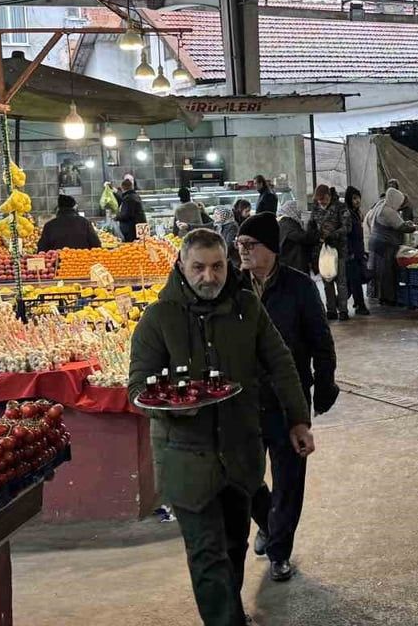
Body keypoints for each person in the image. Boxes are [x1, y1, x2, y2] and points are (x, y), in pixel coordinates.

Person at [128, 228, 316, 626]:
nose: (209, 277)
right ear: (181, 265)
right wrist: (172, 407)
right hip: (185, 457)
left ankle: (230, 612)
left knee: (234, 543)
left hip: (239, 452)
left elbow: (280, 363)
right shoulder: (159, 317)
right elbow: (137, 386)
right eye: (198, 268)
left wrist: (298, 420)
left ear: (227, 265)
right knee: (206, 551)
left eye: (216, 267)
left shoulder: (247, 307)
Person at [230, 214, 338, 585]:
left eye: (250, 245)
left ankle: (279, 552)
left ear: (271, 249)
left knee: (290, 479)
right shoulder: (232, 286)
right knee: (246, 476)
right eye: (239, 244)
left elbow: (321, 341)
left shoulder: (299, 287)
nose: (241, 251)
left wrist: (325, 386)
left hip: (287, 398)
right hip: (243, 400)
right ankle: (269, 522)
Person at [309, 184, 352, 321]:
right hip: (322, 251)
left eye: (323, 198)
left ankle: (343, 310)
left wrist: (334, 235)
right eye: (319, 200)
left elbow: (347, 227)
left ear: (329, 195)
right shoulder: (315, 208)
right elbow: (312, 224)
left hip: (339, 249)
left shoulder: (341, 207)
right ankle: (331, 310)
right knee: (327, 280)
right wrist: (313, 234)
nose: (321, 202)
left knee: (341, 280)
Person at [369, 187, 416, 306]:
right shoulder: (389, 211)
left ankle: (381, 297)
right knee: (387, 273)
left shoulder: (381, 207)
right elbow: (402, 227)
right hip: (385, 245)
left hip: (377, 244)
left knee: (380, 272)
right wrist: (414, 227)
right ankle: (389, 298)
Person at [344, 187, 370, 316]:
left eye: (358, 197)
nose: (357, 201)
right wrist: (350, 252)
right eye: (354, 198)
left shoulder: (356, 213)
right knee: (355, 281)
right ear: (349, 199)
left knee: (353, 281)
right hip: (351, 253)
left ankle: (341, 303)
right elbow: (346, 234)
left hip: (358, 251)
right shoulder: (347, 214)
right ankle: (360, 305)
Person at [276, 201, 312, 275]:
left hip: (288, 262)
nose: (300, 214)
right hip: (295, 263)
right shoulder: (287, 222)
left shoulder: (280, 222)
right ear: (293, 210)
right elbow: (302, 237)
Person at [116, 177, 147, 242]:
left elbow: (126, 215)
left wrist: (116, 217)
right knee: (141, 244)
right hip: (138, 227)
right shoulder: (134, 195)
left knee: (133, 247)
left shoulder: (128, 198)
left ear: (123, 188)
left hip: (132, 230)